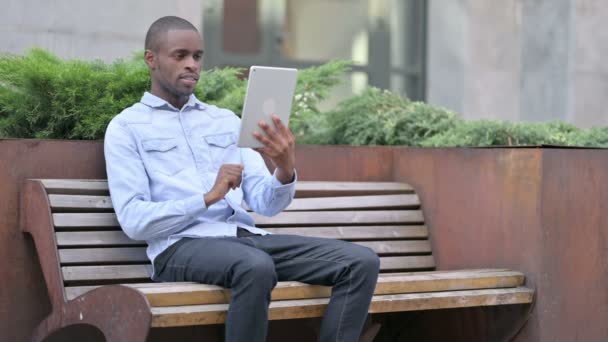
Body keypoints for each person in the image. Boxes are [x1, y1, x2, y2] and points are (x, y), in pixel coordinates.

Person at [104, 16, 379, 342]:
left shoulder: (224, 121)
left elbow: (266, 201)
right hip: (179, 246)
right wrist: (207, 197)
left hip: (245, 239)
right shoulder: (126, 128)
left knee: (361, 262)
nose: (192, 64)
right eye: (180, 56)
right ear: (151, 59)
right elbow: (135, 220)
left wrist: (284, 168)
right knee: (255, 266)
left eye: (198, 56)